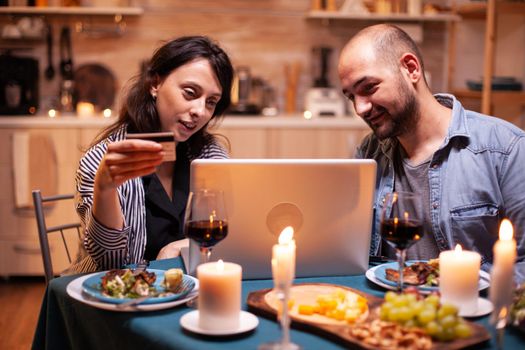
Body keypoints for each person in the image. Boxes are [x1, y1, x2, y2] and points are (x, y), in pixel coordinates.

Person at [337, 24, 525, 283]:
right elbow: (349, 251)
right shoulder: (368, 154)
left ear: (411, 69)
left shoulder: (506, 149)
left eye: (368, 88)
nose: (360, 108)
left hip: (469, 314)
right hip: (389, 310)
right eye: (351, 97)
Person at [66, 36, 234, 274]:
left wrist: (181, 246)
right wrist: (105, 187)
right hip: (117, 296)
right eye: (189, 93)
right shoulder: (101, 160)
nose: (200, 111)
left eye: (211, 102)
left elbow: (228, 238)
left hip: (186, 290)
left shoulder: (209, 155)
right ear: (155, 84)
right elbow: (109, 262)